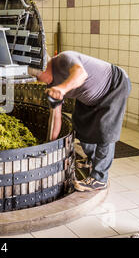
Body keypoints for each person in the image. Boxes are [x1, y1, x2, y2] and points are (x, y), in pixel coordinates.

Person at [28, 51, 131, 192]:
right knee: (80, 124)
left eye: (37, 76)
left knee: (105, 131)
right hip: (89, 97)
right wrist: (49, 146)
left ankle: (100, 178)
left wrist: (62, 88)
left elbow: (81, 74)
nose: (37, 80)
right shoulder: (51, 86)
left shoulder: (64, 59)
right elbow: (55, 117)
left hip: (114, 85)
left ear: (45, 68)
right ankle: (92, 160)